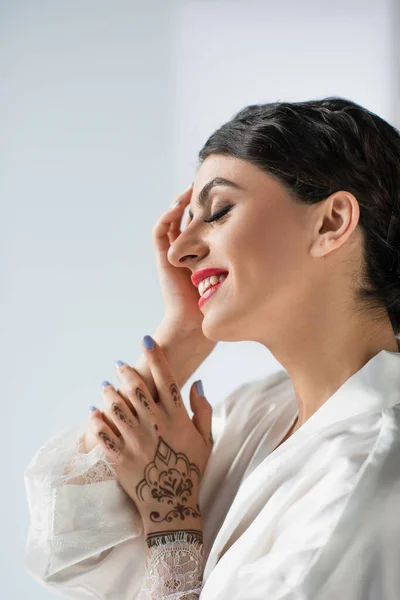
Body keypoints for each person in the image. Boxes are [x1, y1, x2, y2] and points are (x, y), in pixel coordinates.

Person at [24, 97, 400, 599]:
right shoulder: (257, 411)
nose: (179, 250)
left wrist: (173, 526)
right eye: (186, 222)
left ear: (332, 223)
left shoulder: (371, 472)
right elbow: (68, 548)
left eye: (218, 211)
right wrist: (181, 337)